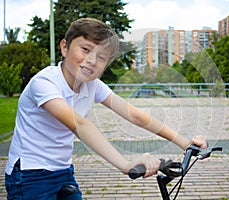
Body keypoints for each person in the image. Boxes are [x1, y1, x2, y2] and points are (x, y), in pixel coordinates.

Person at [5, 18, 207, 199]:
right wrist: (125, 165)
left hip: (63, 170)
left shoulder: (92, 85)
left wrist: (185, 143)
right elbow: (80, 125)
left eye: (101, 57)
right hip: (29, 173)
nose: (92, 60)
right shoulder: (45, 83)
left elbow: (135, 115)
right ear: (65, 48)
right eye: (85, 49)